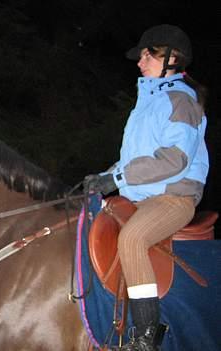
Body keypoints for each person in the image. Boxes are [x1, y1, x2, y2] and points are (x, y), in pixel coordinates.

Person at [83, 24, 209, 351]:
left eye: (145, 56)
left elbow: (173, 160)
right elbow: (132, 161)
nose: (140, 63)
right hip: (139, 197)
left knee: (133, 238)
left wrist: (118, 179)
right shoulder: (146, 104)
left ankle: (146, 336)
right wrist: (103, 177)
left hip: (173, 196)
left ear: (169, 57)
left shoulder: (181, 100)